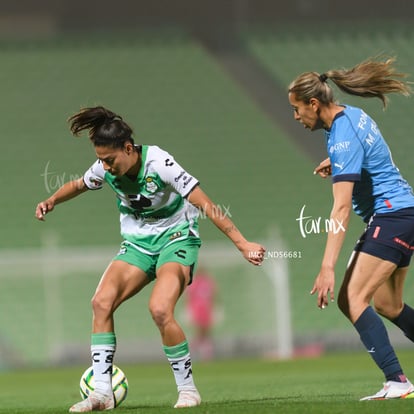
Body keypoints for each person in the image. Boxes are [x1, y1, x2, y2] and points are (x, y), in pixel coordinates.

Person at [35, 106, 265, 412]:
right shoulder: (105, 169)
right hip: (138, 244)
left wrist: (242, 243)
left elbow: (206, 204)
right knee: (101, 302)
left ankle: (187, 390)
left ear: (128, 148)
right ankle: (101, 393)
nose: (104, 166)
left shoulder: (160, 163)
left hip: (176, 239)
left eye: (109, 159)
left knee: (159, 308)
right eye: (100, 160)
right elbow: (78, 184)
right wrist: (52, 200)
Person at [288, 57, 414, 400]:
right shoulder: (353, 116)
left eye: (298, 109)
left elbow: (341, 207)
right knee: (389, 306)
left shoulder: (342, 134)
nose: (296, 117)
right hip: (403, 213)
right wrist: (340, 163)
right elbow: (374, 155)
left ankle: (398, 382)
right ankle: (398, 382)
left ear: (314, 104)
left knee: (350, 297)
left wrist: (327, 267)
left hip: (391, 217)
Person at [185, 266, 218, 360]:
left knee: (206, 331)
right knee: (199, 331)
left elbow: (214, 295)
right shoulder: (194, 283)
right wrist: (188, 310)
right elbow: (189, 297)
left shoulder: (208, 282)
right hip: (197, 309)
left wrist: (215, 308)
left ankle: (205, 352)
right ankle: (193, 351)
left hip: (207, 309)